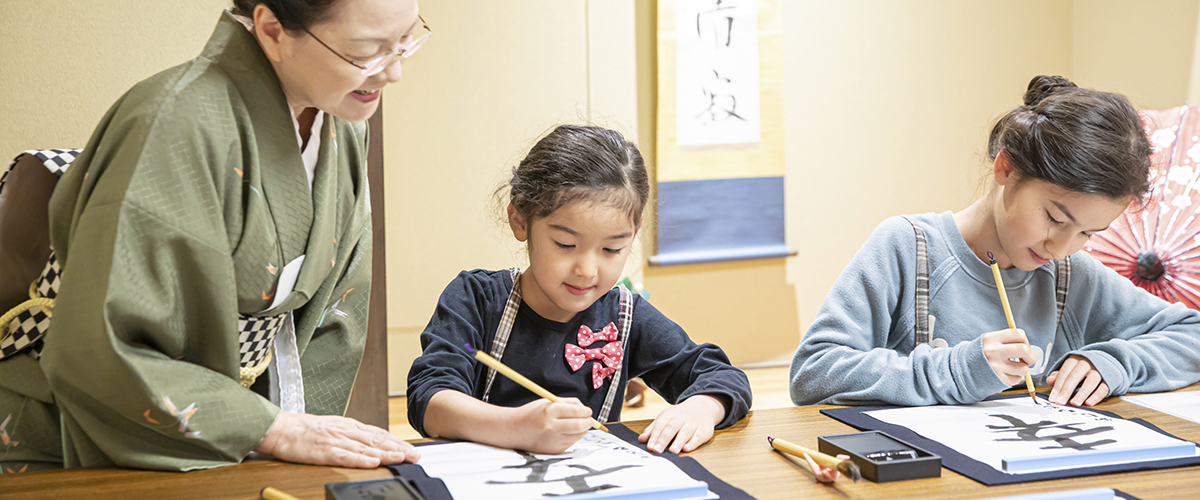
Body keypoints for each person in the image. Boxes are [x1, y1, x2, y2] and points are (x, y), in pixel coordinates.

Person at [0, 0, 428, 472]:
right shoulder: (172, 123)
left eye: (405, 41)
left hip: (230, 426)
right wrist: (271, 429)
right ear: (272, 30)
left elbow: (337, 308)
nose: (393, 73)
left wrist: (301, 433)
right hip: (71, 427)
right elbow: (102, 346)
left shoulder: (341, 120)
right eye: (366, 51)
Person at [790, 75, 1200, 408]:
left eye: (1087, 233)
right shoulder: (907, 247)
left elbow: (1192, 333)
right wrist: (957, 370)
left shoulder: (1070, 275)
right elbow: (813, 371)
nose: (1060, 248)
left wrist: (1114, 362)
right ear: (1006, 167)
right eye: (1055, 218)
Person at [406, 125, 752, 455]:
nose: (587, 270)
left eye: (612, 249)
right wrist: (516, 426)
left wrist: (700, 409)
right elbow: (429, 399)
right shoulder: (476, 299)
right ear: (520, 221)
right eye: (565, 244)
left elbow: (721, 376)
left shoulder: (625, 316)